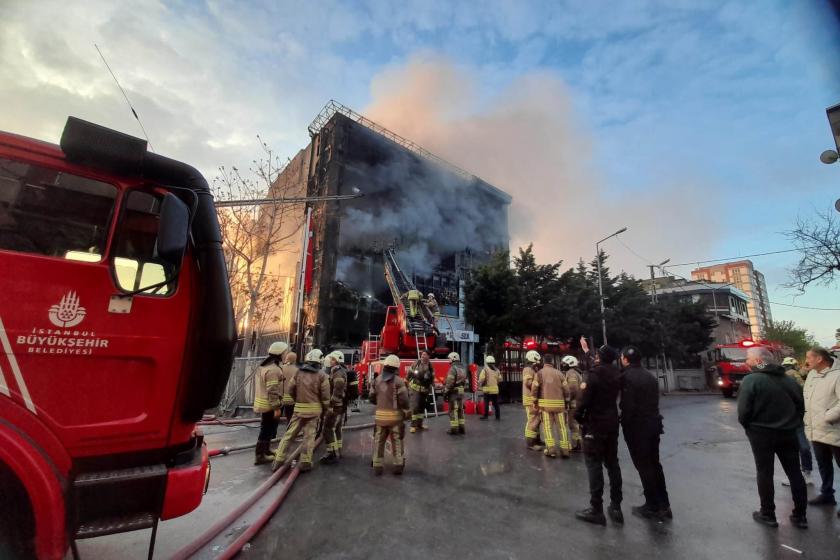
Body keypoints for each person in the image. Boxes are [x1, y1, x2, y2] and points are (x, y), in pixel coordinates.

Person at [738, 346, 808, 528]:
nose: (746, 361)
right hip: (788, 433)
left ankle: (767, 514)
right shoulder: (789, 380)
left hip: (761, 434)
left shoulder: (751, 380)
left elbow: (743, 412)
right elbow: (800, 406)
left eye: (748, 358)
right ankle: (800, 516)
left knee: (764, 473)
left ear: (758, 360)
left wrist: (749, 427)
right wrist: (792, 423)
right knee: (795, 473)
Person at [619, 346, 671, 521]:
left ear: (625, 359)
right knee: (655, 465)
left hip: (637, 428)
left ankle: (652, 505)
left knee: (644, 467)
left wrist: (624, 423)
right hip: (653, 425)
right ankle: (664, 504)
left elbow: (628, 406)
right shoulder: (649, 376)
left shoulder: (627, 378)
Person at [575, 346, 623, 526]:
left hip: (594, 425)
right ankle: (616, 506)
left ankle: (596, 509)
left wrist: (578, 417)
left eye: (597, 356)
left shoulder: (594, 375)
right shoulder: (617, 374)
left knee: (594, 465)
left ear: (600, 358)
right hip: (611, 423)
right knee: (612, 464)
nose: (594, 358)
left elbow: (583, 401)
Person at [272, 349, 330, 473]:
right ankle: (305, 462)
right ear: (320, 361)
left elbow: (291, 388)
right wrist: (325, 409)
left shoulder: (299, 372)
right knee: (309, 437)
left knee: (289, 435)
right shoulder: (322, 375)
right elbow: (325, 397)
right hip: (314, 412)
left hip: (298, 410)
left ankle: (278, 460)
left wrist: (297, 400)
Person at [802, 347, 840, 515]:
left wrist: (827, 417)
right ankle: (827, 494)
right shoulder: (811, 374)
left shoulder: (838, 374)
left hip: (834, 429)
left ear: (820, 359)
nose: (806, 360)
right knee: (824, 464)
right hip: (815, 429)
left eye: (809, 357)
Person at [370, 354, 410, 475]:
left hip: (380, 418)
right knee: (397, 441)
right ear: (397, 367)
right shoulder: (399, 381)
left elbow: (372, 397)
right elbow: (404, 400)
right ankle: (398, 465)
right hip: (395, 419)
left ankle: (377, 466)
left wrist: (381, 403)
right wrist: (406, 411)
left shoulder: (377, 380)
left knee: (379, 441)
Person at [780, 357, 814, 488]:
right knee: (801, 447)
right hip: (796, 416)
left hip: (791, 417)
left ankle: (799, 474)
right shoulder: (795, 374)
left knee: (795, 447)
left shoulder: (789, 375)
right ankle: (805, 473)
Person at [252, 341, 288, 465]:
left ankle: (266, 451)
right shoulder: (273, 370)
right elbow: (272, 391)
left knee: (267, 428)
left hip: (265, 404)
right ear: (279, 354)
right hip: (270, 406)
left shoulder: (265, 366)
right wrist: (277, 408)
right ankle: (260, 455)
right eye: (285, 353)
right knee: (266, 429)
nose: (286, 355)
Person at [532, 355, 571, 458]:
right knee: (562, 427)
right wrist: (567, 401)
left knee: (548, 428)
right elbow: (566, 389)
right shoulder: (560, 374)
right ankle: (565, 450)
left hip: (545, 406)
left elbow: (534, 388)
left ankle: (551, 450)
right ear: (552, 362)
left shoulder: (539, 373)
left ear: (544, 362)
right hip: (560, 406)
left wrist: (534, 401)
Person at [320, 351, 347, 465]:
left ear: (336, 361)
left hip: (335, 406)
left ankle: (332, 454)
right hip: (339, 406)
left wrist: (331, 405)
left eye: (332, 359)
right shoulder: (338, 371)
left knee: (327, 429)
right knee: (337, 429)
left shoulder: (338, 373)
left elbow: (338, 389)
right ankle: (338, 451)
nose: (329, 361)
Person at [407, 350, 435, 432]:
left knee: (421, 408)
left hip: (424, 390)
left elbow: (432, 376)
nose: (422, 356)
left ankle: (419, 424)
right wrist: (406, 381)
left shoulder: (430, 365)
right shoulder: (416, 363)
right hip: (415, 389)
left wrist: (433, 384)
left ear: (428, 356)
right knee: (415, 407)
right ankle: (413, 425)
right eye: (422, 354)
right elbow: (410, 373)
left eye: (425, 354)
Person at [560, 355, 584, 451]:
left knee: (572, 424)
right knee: (575, 424)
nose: (563, 365)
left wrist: (567, 399)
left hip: (574, 404)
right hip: (577, 403)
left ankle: (576, 444)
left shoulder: (571, 373)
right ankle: (578, 443)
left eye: (564, 364)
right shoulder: (574, 372)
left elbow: (572, 388)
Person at [523, 350, 543, 451]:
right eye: (537, 360)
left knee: (537, 420)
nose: (538, 362)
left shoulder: (531, 369)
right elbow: (528, 382)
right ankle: (530, 443)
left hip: (532, 399)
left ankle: (537, 440)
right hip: (530, 400)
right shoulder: (528, 369)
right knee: (532, 420)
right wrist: (538, 385)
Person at [444, 352, 467, 435]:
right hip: (461, 392)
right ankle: (462, 428)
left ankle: (454, 429)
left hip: (453, 392)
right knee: (460, 410)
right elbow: (465, 382)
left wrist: (445, 392)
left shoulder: (453, 368)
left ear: (453, 358)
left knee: (453, 410)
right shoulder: (463, 368)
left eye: (449, 358)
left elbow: (450, 382)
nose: (448, 360)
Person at [479, 355, 502, 420]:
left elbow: (481, 379)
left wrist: (480, 383)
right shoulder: (497, 370)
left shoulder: (485, 370)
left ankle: (485, 416)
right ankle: (498, 416)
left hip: (487, 389)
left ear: (487, 362)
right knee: (496, 403)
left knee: (486, 403)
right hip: (495, 389)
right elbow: (500, 379)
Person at [280, 351, 298, 423]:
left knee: (275, 419)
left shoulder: (281, 368)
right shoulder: (297, 370)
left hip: (280, 398)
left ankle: (272, 433)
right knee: (290, 418)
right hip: (291, 399)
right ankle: (289, 432)